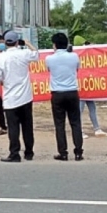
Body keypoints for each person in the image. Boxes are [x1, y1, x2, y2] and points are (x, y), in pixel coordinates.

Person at [0, 30, 39, 163]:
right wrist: (28, 43)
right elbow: (36, 54)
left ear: (5, 43)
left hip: (10, 99)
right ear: (17, 42)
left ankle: (14, 153)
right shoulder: (24, 53)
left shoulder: (1, 58)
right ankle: (29, 152)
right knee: (27, 126)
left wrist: (4, 82)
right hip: (25, 97)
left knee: (13, 128)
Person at [45, 32, 84, 161]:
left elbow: (49, 70)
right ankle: (78, 151)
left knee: (59, 124)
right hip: (72, 92)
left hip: (57, 93)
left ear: (54, 45)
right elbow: (77, 69)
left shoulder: (49, 58)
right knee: (76, 123)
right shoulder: (74, 56)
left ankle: (63, 152)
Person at [78, 42, 107, 138]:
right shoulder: (78, 57)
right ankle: (80, 131)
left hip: (89, 87)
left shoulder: (90, 59)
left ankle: (97, 129)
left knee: (92, 109)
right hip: (82, 88)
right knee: (80, 110)